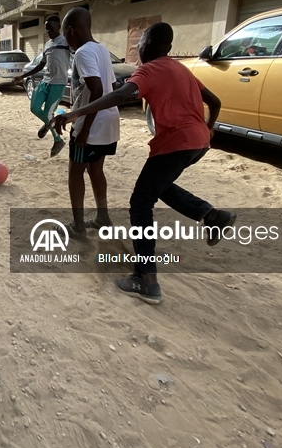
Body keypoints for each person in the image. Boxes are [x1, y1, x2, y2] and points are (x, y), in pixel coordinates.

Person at [51, 22, 236, 305]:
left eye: (139, 45)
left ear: (145, 46)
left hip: (175, 143)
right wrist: (209, 127)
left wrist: (75, 114)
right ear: (169, 48)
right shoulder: (180, 69)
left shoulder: (148, 69)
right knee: (158, 186)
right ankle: (211, 216)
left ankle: (146, 280)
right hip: (198, 143)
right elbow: (215, 101)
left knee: (140, 202)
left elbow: (118, 95)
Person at [58, 7, 120, 237]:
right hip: (108, 121)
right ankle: (103, 217)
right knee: (96, 170)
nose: (66, 39)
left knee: (75, 173)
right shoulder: (101, 49)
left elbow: (97, 89)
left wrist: (84, 129)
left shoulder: (83, 53)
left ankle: (78, 226)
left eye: (65, 34)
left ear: (71, 31)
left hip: (91, 125)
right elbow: (111, 86)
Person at [13, 14, 70, 157]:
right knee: (34, 107)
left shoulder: (66, 42)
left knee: (49, 113)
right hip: (46, 81)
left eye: (51, 28)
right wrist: (22, 76)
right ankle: (49, 122)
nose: (48, 31)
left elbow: (77, 57)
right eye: (46, 29)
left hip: (58, 83)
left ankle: (58, 140)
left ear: (59, 27)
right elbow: (41, 65)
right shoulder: (48, 44)